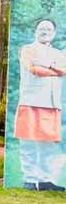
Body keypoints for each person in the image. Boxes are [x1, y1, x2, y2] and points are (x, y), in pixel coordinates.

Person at [14, 19, 66, 191]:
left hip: (52, 103)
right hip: (31, 101)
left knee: (48, 144)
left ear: (54, 33)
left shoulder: (58, 53)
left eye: (49, 29)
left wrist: (47, 66)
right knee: (28, 142)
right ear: (35, 31)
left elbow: (64, 70)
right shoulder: (28, 49)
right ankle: (29, 180)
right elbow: (33, 69)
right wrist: (55, 69)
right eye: (42, 28)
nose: (45, 31)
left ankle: (45, 180)